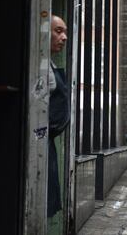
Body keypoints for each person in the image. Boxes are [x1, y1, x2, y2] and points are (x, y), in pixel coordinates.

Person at [48, 15, 70, 217]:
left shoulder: (50, 65)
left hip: (48, 143)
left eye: (65, 32)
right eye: (58, 31)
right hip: (41, 142)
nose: (64, 37)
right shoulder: (39, 68)